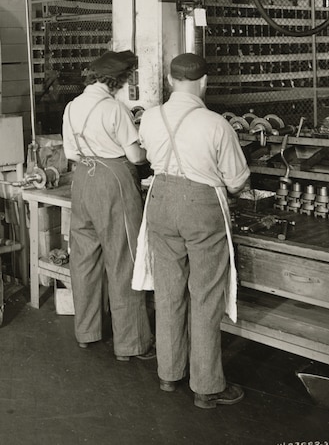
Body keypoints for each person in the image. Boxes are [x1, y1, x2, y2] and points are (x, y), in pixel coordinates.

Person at [137, 52, 250, 409]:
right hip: (201, 208)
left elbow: (144, 158)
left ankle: (169, 375)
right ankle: (206, 387)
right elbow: (236, 182)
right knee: (204, 295)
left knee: (168, 292)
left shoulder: (150, 118)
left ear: (170, 81)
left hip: (159, 201)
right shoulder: (217, 124)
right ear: (204, 82)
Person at [61, 50, 155, 361]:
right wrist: (147, 146)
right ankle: (131, 343)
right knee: (123, 259)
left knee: (84, 259)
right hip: (113, 181)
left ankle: (86, 332)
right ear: (118, 81)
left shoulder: (72, 107)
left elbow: (72, 154)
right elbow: (135, 158)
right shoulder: (114, 109)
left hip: (83, 181)